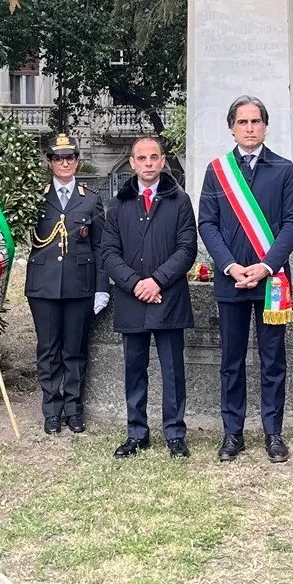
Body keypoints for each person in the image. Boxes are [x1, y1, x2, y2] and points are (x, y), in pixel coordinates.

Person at [198, 95, 293, 463]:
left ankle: (273, 433)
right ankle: (233, 433)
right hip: (231, 281)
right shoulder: (217, 171)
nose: (249, 128)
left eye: (255, 121)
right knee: (232, 359)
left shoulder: (284, 169)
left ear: (265, 126)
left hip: (272, 283)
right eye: (242, 122)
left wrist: (266, 265)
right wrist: (228, 265)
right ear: (231, 128)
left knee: (273, 359)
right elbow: (207, 224)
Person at [100, 136, 198, 459]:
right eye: (141, 158)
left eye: (153, 157)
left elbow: (187, 250)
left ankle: (174, 434)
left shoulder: (180, 201)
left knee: (172, 371)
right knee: (134, 369)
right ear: (132, 163)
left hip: (168, 299)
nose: (148, 164)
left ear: (162, 160)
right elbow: (109, 253)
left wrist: (156, 281)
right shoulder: (118, 204)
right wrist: (135, 283)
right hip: (132, 301)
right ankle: (137, 433)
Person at [25, 133, 109, 434]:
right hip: (43, 286)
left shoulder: (91, 199)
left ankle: (73, 409)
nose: (64, 163)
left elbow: (100, 247)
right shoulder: (35, 198)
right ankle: (51, 409)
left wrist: (102, 287)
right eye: (58, 158)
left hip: (79, 285)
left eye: (70, 158)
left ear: (77, 161)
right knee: (48, 349)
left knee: (75, 350)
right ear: (50, 163)